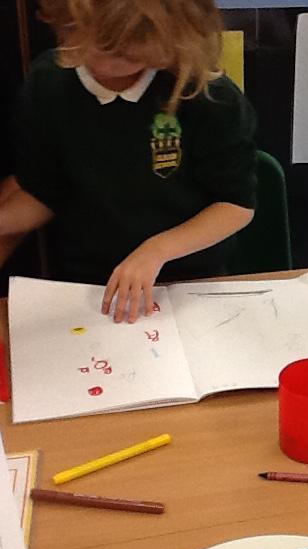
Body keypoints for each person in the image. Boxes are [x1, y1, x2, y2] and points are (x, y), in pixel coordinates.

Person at [0, 0, 256, 323]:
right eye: (87, 43)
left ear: (171, 39)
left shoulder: (206, 94)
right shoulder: (48, 84)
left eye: (127, 55)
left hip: (189, 284)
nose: (103, 64)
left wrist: (157, 250)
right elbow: (43, 191)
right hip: (87, 287)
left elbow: (235, 205)